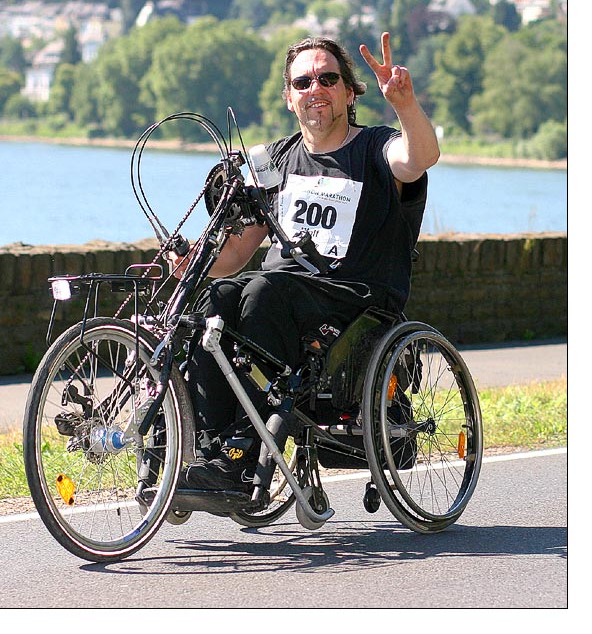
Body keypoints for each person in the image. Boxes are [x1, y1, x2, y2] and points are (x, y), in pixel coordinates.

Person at [174, 31, 440, 492]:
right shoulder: (276, 159)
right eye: (302, 83)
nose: (314, 89)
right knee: (215, 300)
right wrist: (193, 261)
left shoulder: (376, 146)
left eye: (327, 78)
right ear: (288, 98)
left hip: (355, 299)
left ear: (348, 90)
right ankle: (211, 448)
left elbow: (419, 157)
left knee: (263, 290)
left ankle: (244, 450)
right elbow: (236, 255)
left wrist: (405, 104)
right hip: (283, 298)